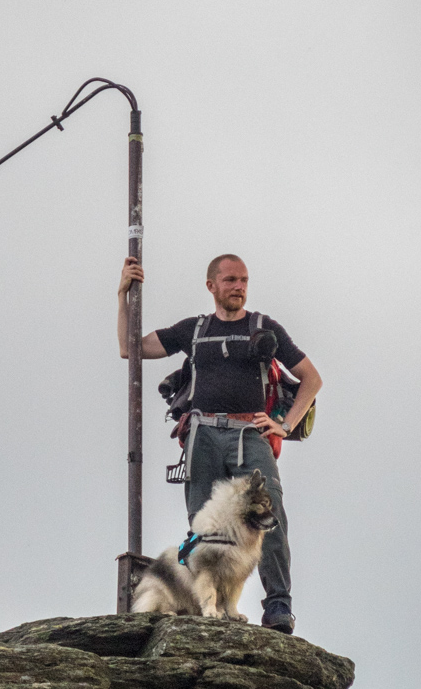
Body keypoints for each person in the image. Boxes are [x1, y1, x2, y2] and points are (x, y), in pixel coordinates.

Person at [117, 253, 322, 633]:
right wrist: (122, 295)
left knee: (269, 516)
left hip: (249, 434)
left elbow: (311, 378)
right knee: (203, 526)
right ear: (211, 285)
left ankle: (278, 608)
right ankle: (204, 605)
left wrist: (284, 423)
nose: (239, 287)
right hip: (203, 434)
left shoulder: (264, 328)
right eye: (230, 280)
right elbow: (131, 348)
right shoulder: (194, 331)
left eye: (243, 280)